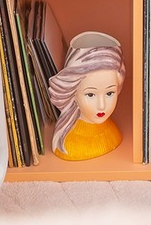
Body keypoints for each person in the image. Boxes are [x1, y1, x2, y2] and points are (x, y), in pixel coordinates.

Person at [48, 31, 126, 161]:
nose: (102, 105)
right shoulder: (67, 144)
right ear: (73, 92)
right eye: (90, 94)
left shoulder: (113, 133)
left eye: (109, 93)